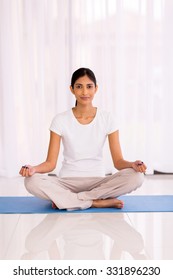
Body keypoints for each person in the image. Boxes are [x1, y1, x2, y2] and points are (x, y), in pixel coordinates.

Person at [19, 67, 146, 211]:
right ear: (72, 89)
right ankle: (94, 202)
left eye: (89, 87)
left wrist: (132, 164)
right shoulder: (60, 120)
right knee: (31, 181)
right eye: (79, 87)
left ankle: (68, 200)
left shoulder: (107, 118)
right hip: (67, 183)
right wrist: (33, 169)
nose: (85, 92)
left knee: (137, 177)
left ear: (96, 89)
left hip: (98, 182)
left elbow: (118, 162)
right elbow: (50, 164)